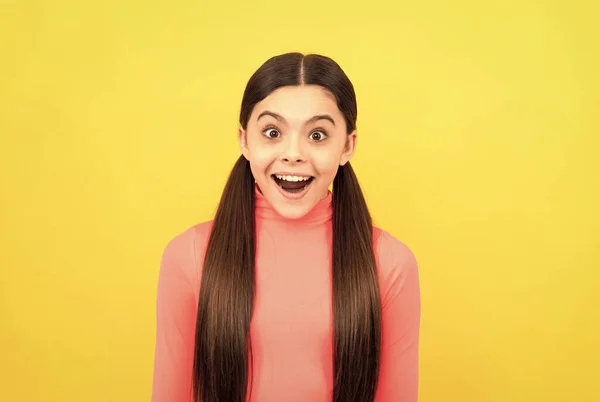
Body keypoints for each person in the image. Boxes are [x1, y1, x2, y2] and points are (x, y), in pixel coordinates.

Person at [151, 52, 421, 402]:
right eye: (273, 132)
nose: (293, 153)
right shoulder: (188, 256)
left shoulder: (390, 264)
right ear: (244, 140)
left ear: (348, 145)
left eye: (318, 135)